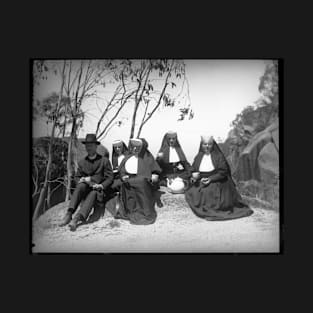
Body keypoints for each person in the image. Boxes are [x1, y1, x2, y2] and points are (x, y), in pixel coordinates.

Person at [185, 135, 253, 221]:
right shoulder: (199, 156)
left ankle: (211, 208)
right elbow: (194, 169)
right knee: (192, 192)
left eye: (209, 144)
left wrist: (210, 179)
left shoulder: (218, 156)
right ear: (201, 145)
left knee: (209, 192)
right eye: (204, 144)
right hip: (202, 180)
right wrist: (194, 176)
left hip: (217, 181)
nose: (207, 146)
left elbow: (223, 172)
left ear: (213, 145)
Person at [59, 134, 114, 231]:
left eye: (91, 145)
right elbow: (76, 177)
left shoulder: (104, 161)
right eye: (87, 146)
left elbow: (110, 178)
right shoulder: (82, 162)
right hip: (85, 189)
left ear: (96, 146)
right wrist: (79, 180)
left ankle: (77, 218)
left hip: (98, 190)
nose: (89, 148)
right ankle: (69, 214)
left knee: (93, 193)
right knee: (80, 186)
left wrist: (101, 185)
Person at [106, 138, 161, 225]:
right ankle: (131, 210)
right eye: (133, 147)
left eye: (137, 147)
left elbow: (155, 170)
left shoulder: (147, 157)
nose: (135, 149)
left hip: (143, 182)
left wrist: (155, 175)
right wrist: (123, 176)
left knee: (141, 185)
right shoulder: (127, 158)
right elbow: (122, 171)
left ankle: (144, 212)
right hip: (129, 182)